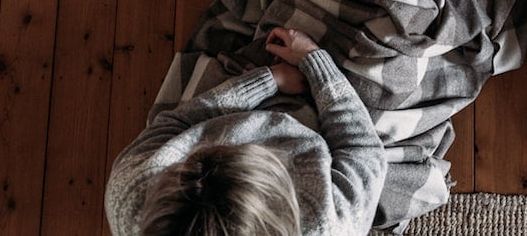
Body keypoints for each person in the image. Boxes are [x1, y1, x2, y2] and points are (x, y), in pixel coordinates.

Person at [104, 26, 388, 236]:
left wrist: (268, 80)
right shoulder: (328, 226)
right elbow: (363, 151)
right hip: (319, 142)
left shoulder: (129, 192)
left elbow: (172, 124)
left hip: (240, 106)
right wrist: (316, 62)